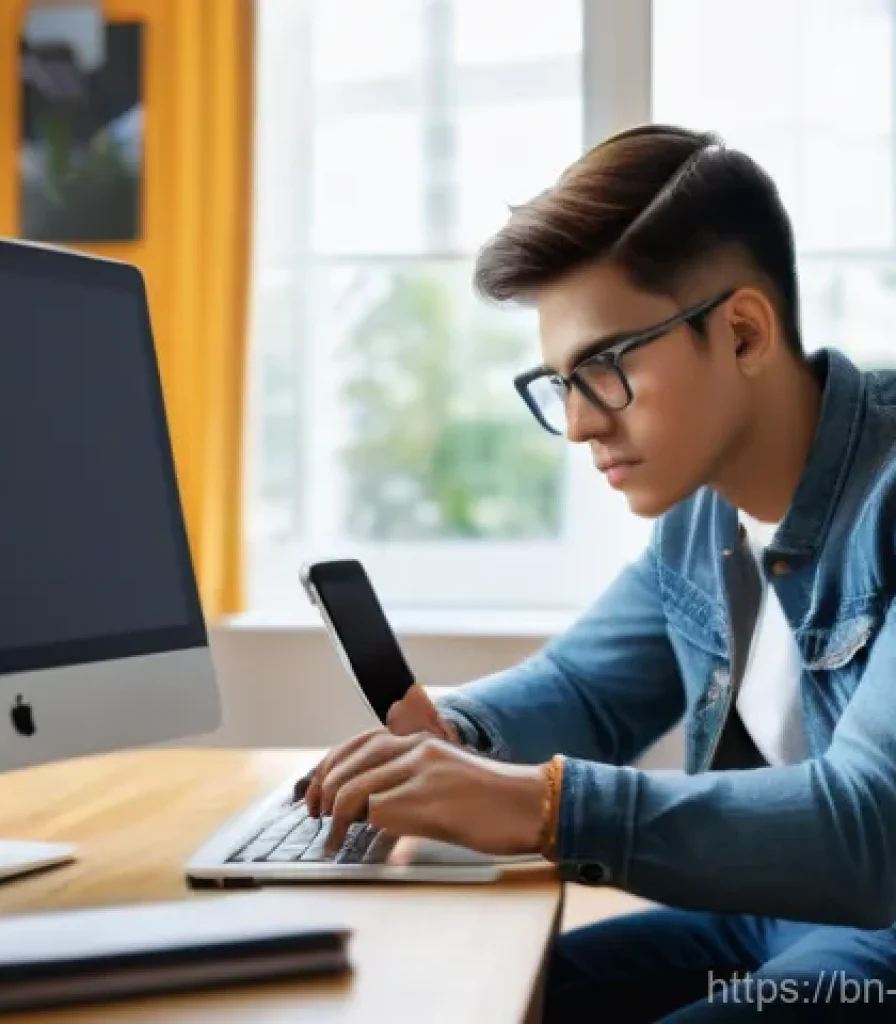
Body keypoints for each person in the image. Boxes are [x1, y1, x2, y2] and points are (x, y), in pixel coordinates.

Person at [301, 123, 896, 1021]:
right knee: (473, 1000)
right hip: (773, 920)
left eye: (605, 369)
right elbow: (589, 689)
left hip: (881, 931)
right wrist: (457, 736)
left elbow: (870, 827)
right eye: (559, 382)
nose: (577, 425)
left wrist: (547, 808)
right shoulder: (701, 510)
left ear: (741, 332)